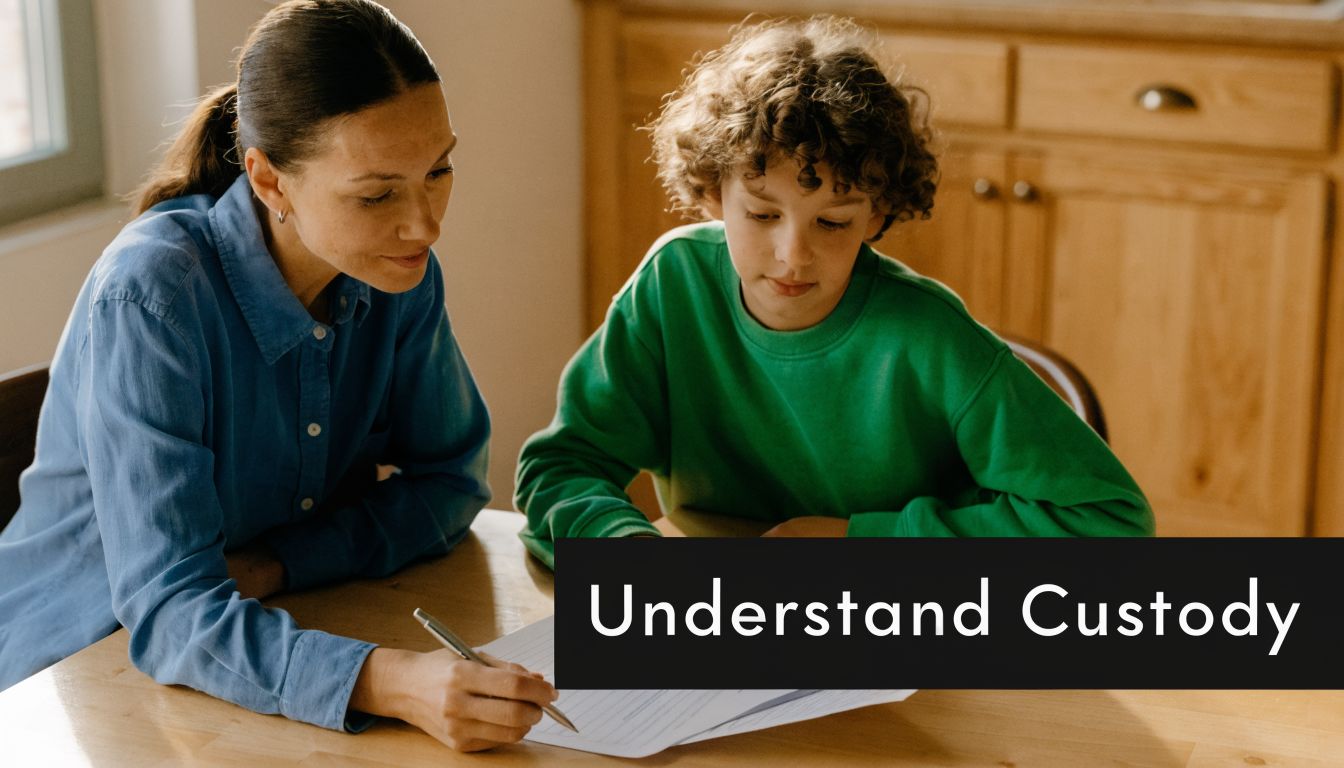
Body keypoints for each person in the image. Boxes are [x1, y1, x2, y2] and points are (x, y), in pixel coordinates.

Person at [0, 0, 555, 752]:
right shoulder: (153, 297)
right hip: (70, 679)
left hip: (259, 646)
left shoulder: (399, 276)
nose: (424, 224)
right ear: (269, 180)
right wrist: (388, 681)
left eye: (439, 169)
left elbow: (450, 482)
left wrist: (278, 564)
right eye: (377, 194)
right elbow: (168, 611)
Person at [516, 15, 1154, 570]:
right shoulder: (672, 284)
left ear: (877, 217)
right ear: (712, 195)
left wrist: (863, 539)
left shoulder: (930, 337)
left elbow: (1110, 522)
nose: (793, 255)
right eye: (763, 215)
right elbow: (562, 467)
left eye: (833, 221)